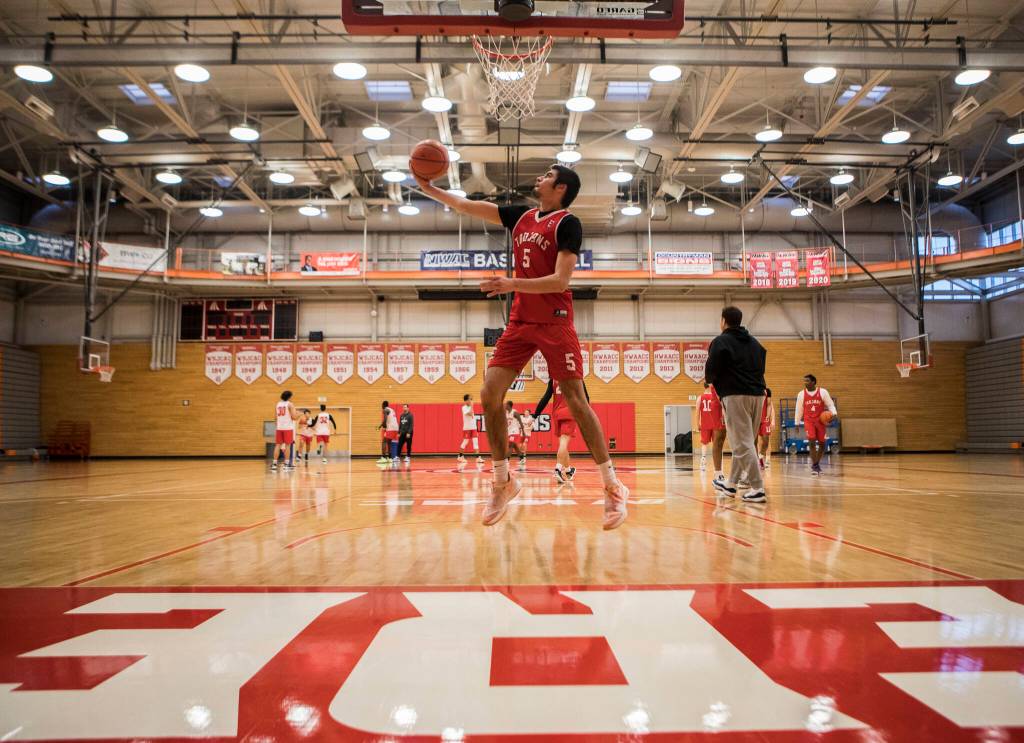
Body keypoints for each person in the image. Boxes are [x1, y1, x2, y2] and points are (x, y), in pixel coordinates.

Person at [415, 164, 629, 529]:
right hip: (520, 322)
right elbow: (467, 206)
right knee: (489, 393)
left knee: (577, 400)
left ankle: (612, 486)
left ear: (560, 187)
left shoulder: (567, 223)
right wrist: (428, 187)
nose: (539, 178)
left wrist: (511, 283)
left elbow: (560, 280)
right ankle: (502, 480)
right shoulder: (521, 216)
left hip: (555, 318)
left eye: (547, 174)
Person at [704, 306, 768, 503]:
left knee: (742, 443)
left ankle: (757, 487)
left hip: (735, 395)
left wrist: (712, 379)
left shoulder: (720, 341)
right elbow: (761, 368)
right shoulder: (756, 344)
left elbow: (711, 370)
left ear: (723, 321)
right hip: (758, 395)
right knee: (747, 440)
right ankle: (731, 484)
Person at [535, 378, 587, 484]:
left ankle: (568, 470)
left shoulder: (553, 379)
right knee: (563, 443)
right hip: (570, 411)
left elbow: (545, 398)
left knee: (563, 445)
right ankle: (558, 469)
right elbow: (585, 398)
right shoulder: (575, 377)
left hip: (557, 413)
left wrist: (535, 414)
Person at [795, 374, 837, 475]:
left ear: (813, 382)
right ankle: (815, 467)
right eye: (804, 381)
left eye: (807, 381)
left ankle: (815, 464)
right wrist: (796, 423)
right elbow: (799, 409)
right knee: (812, 442)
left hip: (820, 421)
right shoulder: (801, 394)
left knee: (822, 445)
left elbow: (830, 404)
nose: (805, 383)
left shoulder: (823, 392)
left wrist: (834, 413)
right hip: (809, 421)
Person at [697, 382, 727, 479]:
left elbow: (697, 411)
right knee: (717, 443)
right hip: (715, 422)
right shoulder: (715, 395)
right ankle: (719, 464)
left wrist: (698, 423)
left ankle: (703, 461)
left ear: (704, 387)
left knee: (704, 443)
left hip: (705, 423)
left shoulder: (700, 398)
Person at [272, 390, 300, 470]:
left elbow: (275, 418)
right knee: (288, 445)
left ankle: (274, 464)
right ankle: (287, 464)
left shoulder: (277, 404)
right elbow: (294, 417)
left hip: (279, 427)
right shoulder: (290, 404)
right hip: (287, 427)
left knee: (278, 445)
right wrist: (300, 414)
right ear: (289, 397)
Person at [457, 394, 484, 465]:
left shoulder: (470, 407)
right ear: (466, 400)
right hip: (467, 428)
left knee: (476, 442)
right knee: (465, 442)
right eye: (470, 399)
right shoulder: (464, 408)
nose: (471, 400)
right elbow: (470, 413)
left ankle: (478, 458)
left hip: (473, 427)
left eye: (471, 399)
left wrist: (471, 406)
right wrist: (472, 406)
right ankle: (460, 456)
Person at [378, 400, 400, 467]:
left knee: (384, 441)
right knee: (389, 442)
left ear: (383, 405)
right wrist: (381, 425)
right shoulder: (392, 409)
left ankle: (383, 458)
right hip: (396, 428)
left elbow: (385, 419)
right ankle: (390, 458)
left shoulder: (385, 410)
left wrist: (383, 426)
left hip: (391, 428)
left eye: (382, 406)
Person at [758, 388, 775, 470]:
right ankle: (759, 460)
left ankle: (763, 458)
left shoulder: (767, 391)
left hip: (765, 419)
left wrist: (771, 420)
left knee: (766, 440)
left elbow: (770, 406)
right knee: (756, 442)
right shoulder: (752, 390)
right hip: (755, 419)